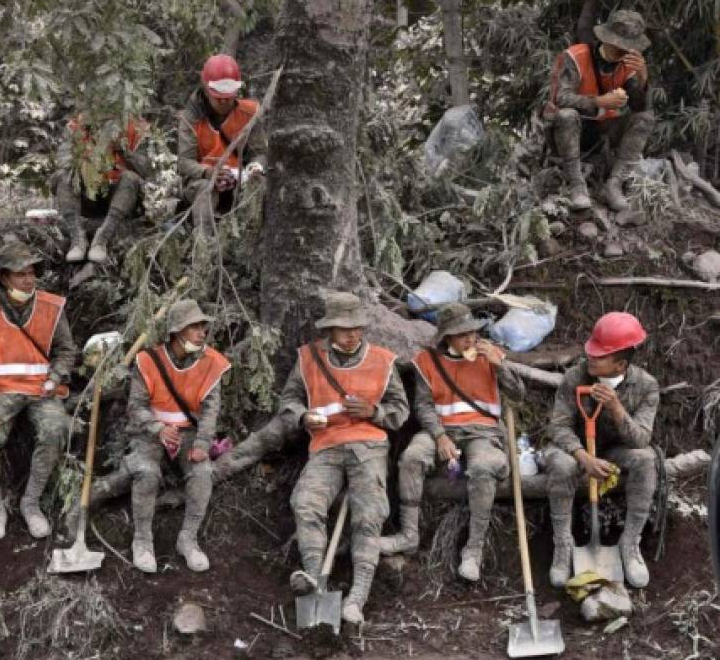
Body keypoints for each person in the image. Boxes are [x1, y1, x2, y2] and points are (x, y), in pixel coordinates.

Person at [283, 292, 409, 624]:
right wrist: (302, 416)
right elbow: (289, 400)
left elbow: (401, 411)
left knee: (368, 514)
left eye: (356, 328)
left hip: (369, 446)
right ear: (329, 330)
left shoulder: (383, 360)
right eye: (343, 328)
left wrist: (375, 411)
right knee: (305, 502)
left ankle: (357, 598)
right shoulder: (308, 359)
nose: (351, 334)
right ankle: (315, 582)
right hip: (325, 445)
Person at [379, 303, 525, 583]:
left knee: (484, 467)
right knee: (411, 458)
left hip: (484, 433)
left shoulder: (491, 356)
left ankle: (474, 549)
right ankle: (409, 535)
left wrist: (500, 366)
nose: (470, 339)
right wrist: (439, 436)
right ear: (446, 337)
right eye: (462, 335)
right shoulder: (428, 362)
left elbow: (518, 395)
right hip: (442, 430)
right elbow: (423, 407)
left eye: (472, 333)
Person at [0, 241, 77, 541]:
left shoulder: (53, 307)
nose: (28, 279)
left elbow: (66, 351)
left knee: (56, 428)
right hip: (2, 392)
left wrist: (54, 380)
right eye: (20, 274)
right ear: (4, 277)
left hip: (43, 391)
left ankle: (31, 504)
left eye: (31, 272)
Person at [541, 312, 657, 589]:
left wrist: (617, 409)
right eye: (591, 351)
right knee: (561, 465)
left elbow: (641, 439)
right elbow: (558, 427)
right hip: (574, 450)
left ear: (621, 365)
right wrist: (583, 456)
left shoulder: (646, 386)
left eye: (600, 355)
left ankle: (629, 544)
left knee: (646, 459)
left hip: (616, 451)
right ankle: (563, 546)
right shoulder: (574, 377)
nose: (590, 357)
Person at [125, 299, 231, 573]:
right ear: (176, 331)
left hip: (189, 434)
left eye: (202, 327)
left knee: (202, 473)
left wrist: (202, 444)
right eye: (193, 327)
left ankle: (188, 539)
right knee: (146, 472)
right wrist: (157, 428)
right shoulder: (148, 361)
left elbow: (211, 410)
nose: (201, 332)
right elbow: (135, 406)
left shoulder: (212, 363)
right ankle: (142, 541)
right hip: (151, 433)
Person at [544, 10, 653, 213]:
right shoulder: (576, 57)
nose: (624, 49)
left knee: (645, 119)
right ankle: (576, 185)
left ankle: (614, 185)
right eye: (620, 43)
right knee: (567, 115)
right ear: (608, 39)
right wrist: (599, 101)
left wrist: (643, 79)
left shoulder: (628, 65)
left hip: (601, 130)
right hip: (566, 130)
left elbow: (640, 107)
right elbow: (560, 98)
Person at [177, 54, 266, 236]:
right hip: (204, 183)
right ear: (207, 90)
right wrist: (209, 173)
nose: (224, 101)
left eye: (228, 97)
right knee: (204, 189)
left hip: (240, 181)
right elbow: (184, 162)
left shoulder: (249, 112)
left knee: (260, 184)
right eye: (219, 97)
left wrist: (255, 167)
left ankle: (251, 240)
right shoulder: (190, 119)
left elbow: (261, 152)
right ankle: (204, 246)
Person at [52, 114, 151, 263]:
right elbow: (62, 162)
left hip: (120, 196)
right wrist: (82, 158)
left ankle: (102, 238)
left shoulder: (137, 127)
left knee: (130, 178)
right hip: (87, 194)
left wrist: (123, 150)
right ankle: (77, 238)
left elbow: (146, 171)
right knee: (63, 176)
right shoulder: (76, 125)